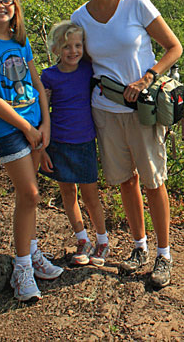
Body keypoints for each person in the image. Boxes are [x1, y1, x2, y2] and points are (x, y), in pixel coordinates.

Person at [71, 0, 182, 288]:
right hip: (104, 109)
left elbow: (174, 46)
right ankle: (139, 247)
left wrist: (147, 77)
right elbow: (78, 60)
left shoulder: (136, 3)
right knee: (125, 180)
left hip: (142, 110)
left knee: (153, 182)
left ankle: (164, 255)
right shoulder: (80, 17)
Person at [0, 0, 64, 302]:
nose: (0, 7)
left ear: (15, 6)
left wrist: (45, 123)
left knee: (28, 196)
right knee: (31, 193)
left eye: (6, 1)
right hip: (9, 130)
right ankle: (21, 269)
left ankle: (31, 252)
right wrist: (28, 128)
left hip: (36, 125)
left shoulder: (20, 42)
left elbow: (37, 85)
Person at [39, 21, 109, 266]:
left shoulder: (88, 70)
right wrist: (42, 149)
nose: (73, 51)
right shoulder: (48, 76)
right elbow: (42, 113)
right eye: (67, 46)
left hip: (84, 142)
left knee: (91, 196)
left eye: (78, 45)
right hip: (59, 142)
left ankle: (102, 242)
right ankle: (82, 240)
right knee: (68, 193)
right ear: (56, 48)